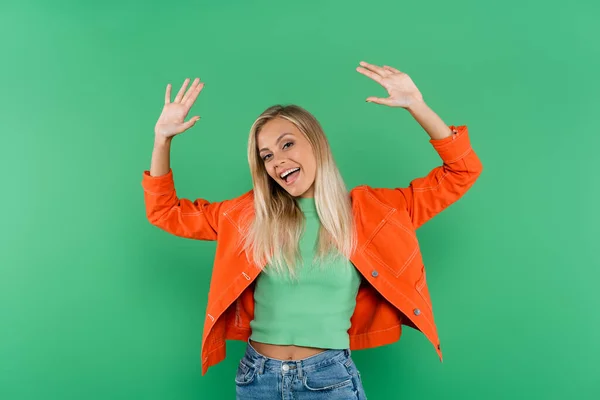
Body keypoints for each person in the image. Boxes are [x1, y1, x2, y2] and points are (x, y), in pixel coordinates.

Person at [141, 61, 483, 399]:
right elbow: (165, 212)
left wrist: (417, 106)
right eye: (266, 155)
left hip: (329, 379)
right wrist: (162, 140)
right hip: (257, 379)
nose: (277, 161)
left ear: (315, 142)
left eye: (287, 144)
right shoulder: (247, 215)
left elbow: (462, 171)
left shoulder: (375, 213)